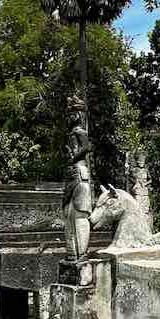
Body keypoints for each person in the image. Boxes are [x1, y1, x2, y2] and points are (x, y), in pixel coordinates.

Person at [63, 96, 93, 261]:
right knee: (68, 215)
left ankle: (81, 253)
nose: (70, 117)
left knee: (80, 214)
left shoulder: (80, 131)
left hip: (80, 173)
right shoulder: (72, 132)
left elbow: (87, 147)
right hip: (72, 174)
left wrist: (74, 156)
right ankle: (72, 253)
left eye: (73, 113)